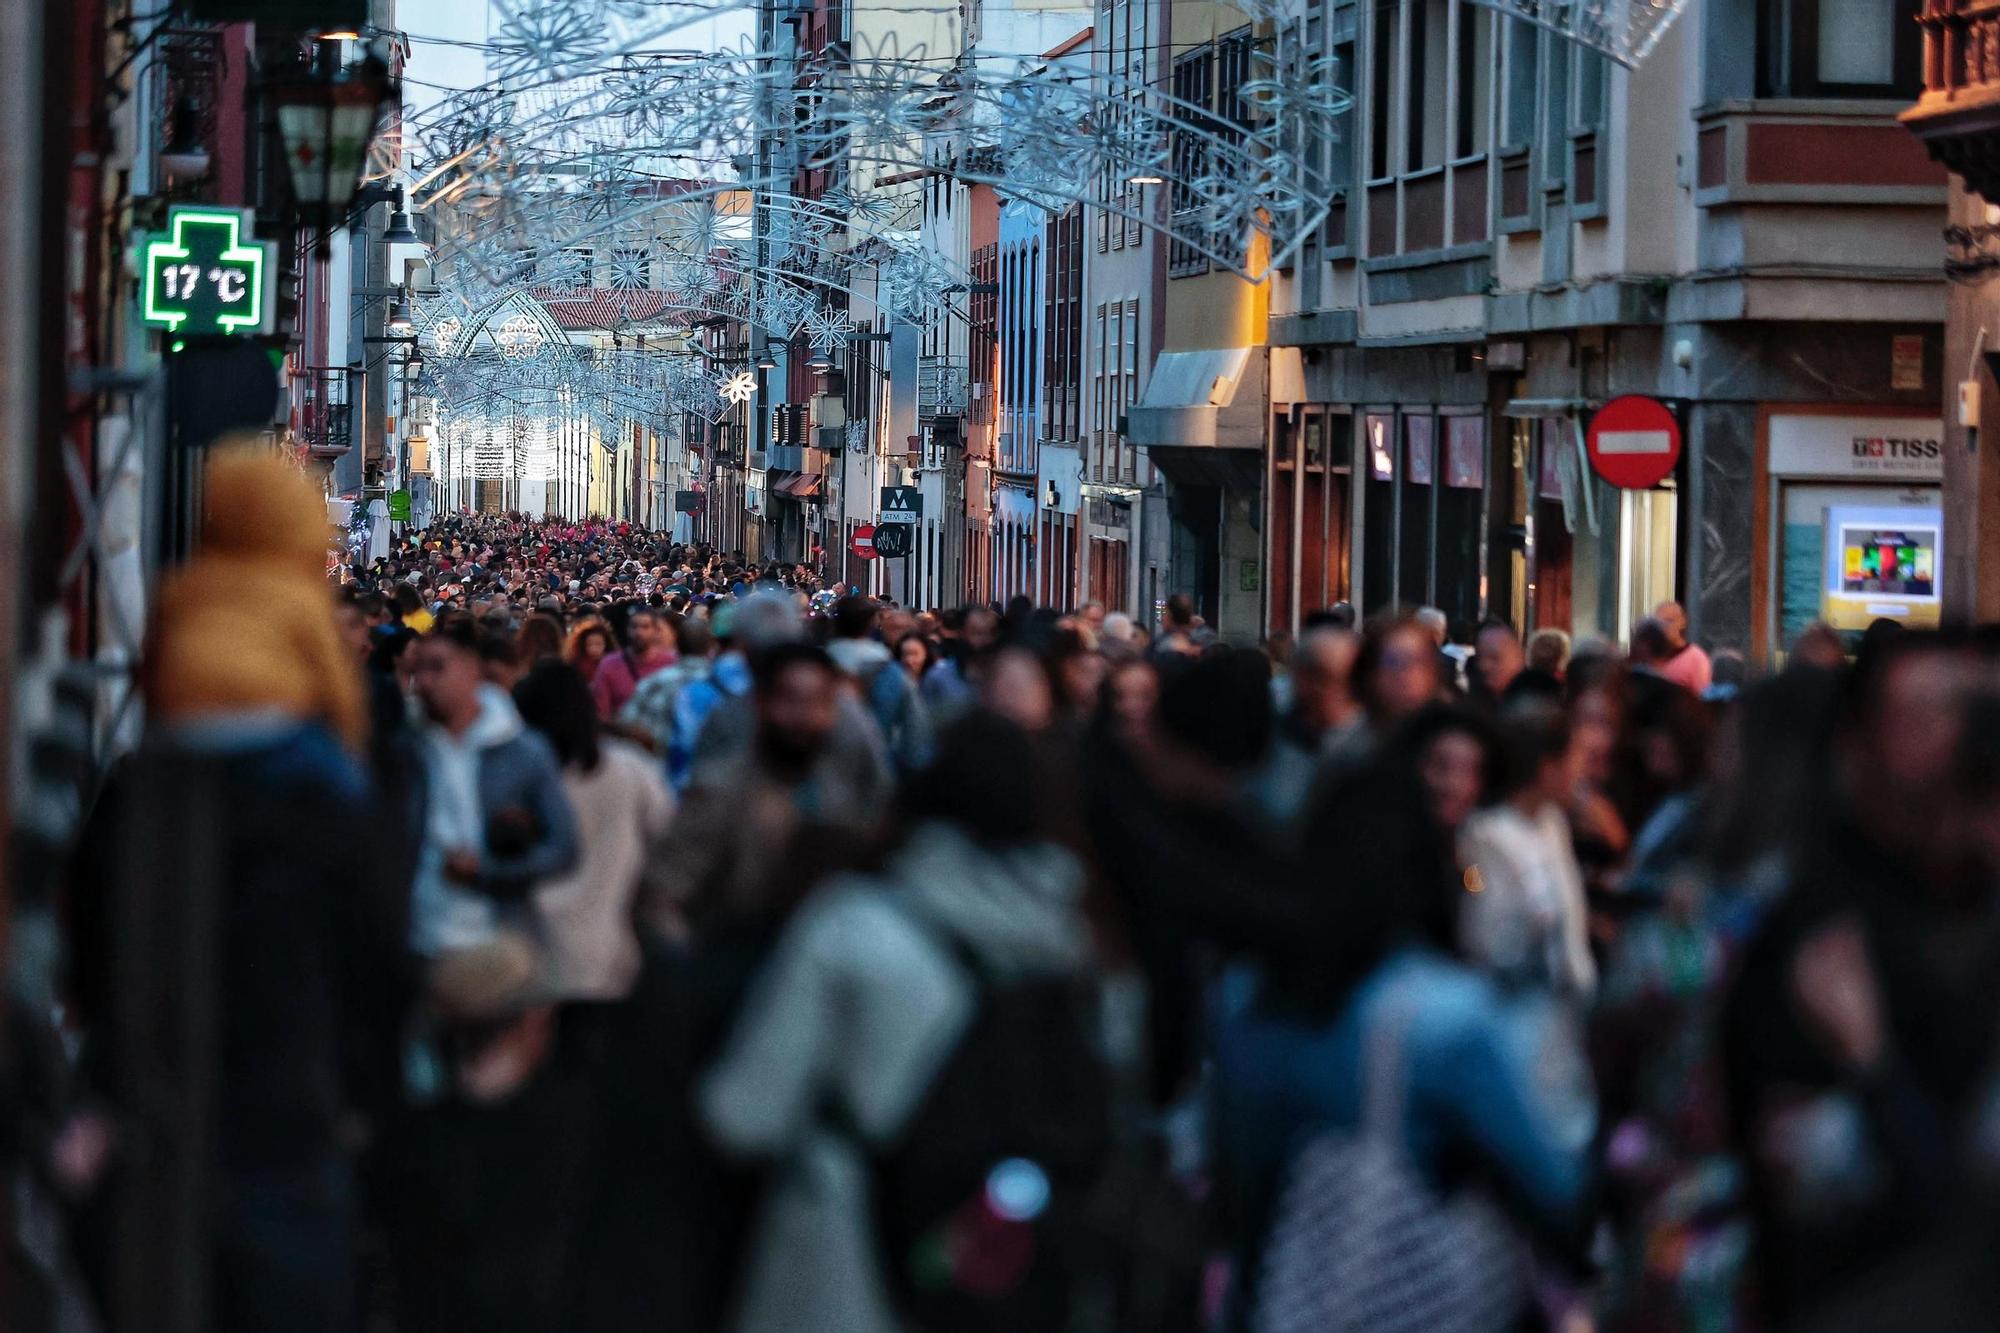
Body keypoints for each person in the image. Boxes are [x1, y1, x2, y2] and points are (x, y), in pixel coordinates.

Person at [700, 713, 1100, 1333]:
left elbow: (744, 1114)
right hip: (1001, 1258)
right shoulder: (1075, 946)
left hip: (843, 1251)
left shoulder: (854, 926)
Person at [1212, 757, 1595, 1331]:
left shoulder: (1245, 1002)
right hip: (1406, 1298)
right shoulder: (1443, 1014)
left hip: (1276, 1297)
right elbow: (1552, 1188)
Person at [513, 660, 676, 1003]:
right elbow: (670, 841)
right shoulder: (629, 769)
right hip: (610, 957)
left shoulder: (520, 778)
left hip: (531, 956)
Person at [1457, 702, 1596, 1000]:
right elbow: (1484, 933)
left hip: (1571, 1005)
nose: (1581, 770)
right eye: (1574, 758)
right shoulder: (1481, 838)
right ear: (1548, 770)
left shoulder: (1552, 823)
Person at [592, 606, 678, 721]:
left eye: (645, 627)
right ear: (627, 629)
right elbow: (601, 712)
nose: (639, 632)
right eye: (634, 626)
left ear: (656, 631)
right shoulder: (609, 665)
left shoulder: (671, 662)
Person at [1654, 600, 1714, 695]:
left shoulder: (1696, 658)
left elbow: (1702, 698)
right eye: (1659, 622)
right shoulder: (1649, 655)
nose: (1664, 626)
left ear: (1682, 622)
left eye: (1670, 621)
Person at [1470, 619, 1526, 706]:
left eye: (1494, 657)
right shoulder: (1464, 709)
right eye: (1479, 657)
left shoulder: (1537, 708)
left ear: (1518, 657)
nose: (1484, 666)